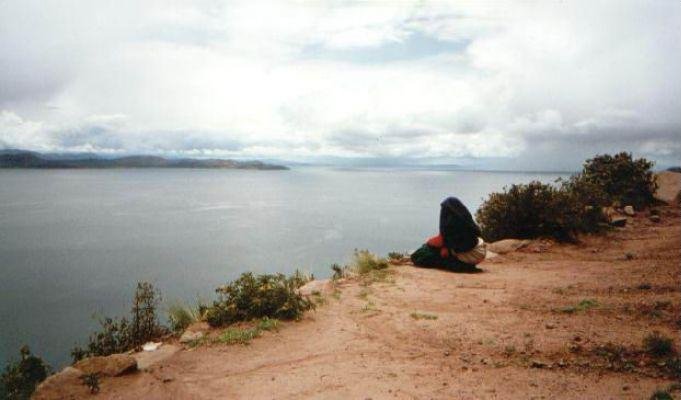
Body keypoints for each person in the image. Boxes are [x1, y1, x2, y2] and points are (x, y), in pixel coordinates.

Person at [411, 197, 486, 272]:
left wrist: (429, 243)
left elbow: (440, 241)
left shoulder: (449, 225)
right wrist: (445, 246)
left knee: (421, 255)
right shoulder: (466, 222)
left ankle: (460, 266)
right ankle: (464, 266)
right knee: (440, 250)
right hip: (479, 252)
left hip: (467, 255)